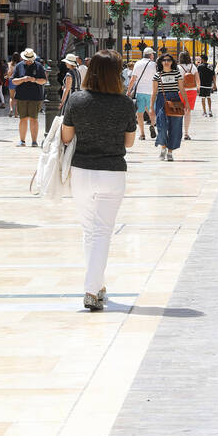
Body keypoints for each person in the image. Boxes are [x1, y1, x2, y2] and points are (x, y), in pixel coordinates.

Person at [61, 49, 137, 312]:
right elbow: (129, 142)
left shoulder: (77, 100)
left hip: (82, 171)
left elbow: (66, 137)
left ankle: (96, 285)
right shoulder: (125, 103)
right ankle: (93, 289)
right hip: (112, 172)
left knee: (89, 230)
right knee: (102, 231)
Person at [150, 52, 185, 162]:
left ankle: (170, 152)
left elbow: (182, 89)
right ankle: (163, 147)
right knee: (162, 126)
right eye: (164, 60)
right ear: (160, 62)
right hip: (161, 101)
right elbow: (154, 92)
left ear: (172, 62)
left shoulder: (177, 73)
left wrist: (187, 103)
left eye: (168, 60)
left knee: (175, 127)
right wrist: (151, 107)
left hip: (175, 101)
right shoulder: (157, 75)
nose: (166, 62)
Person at [11, 47, 47, 146]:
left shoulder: (39, 66)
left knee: (33, 118)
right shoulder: (19, 66)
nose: (28, 61)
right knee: (23, 118)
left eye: (30, 60)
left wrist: (34, 80)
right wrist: (23, 79)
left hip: (35, 97)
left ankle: (34, 141)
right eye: (27, 60)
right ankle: (22, 141)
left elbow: (44, 81)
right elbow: (13, 81)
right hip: (21, 96)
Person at [127, 47, 157, 140]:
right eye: (153, 54)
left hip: (140, 91)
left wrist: (128, 91)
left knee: (140, 113)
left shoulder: (138, 63)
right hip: (151, 91)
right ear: (150, 55)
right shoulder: (154, 65)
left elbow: (133, 79)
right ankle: (152, 125)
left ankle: (142, 134)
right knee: (151, 111)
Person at [178, 51, 199, 141]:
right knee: (187, 112)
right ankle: (186, 133)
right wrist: (198, 89)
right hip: (191, 91)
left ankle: (178, 133)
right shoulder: (193, 67)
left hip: (181, 91)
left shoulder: (178, 67)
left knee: (179, 112)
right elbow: (198, 80)